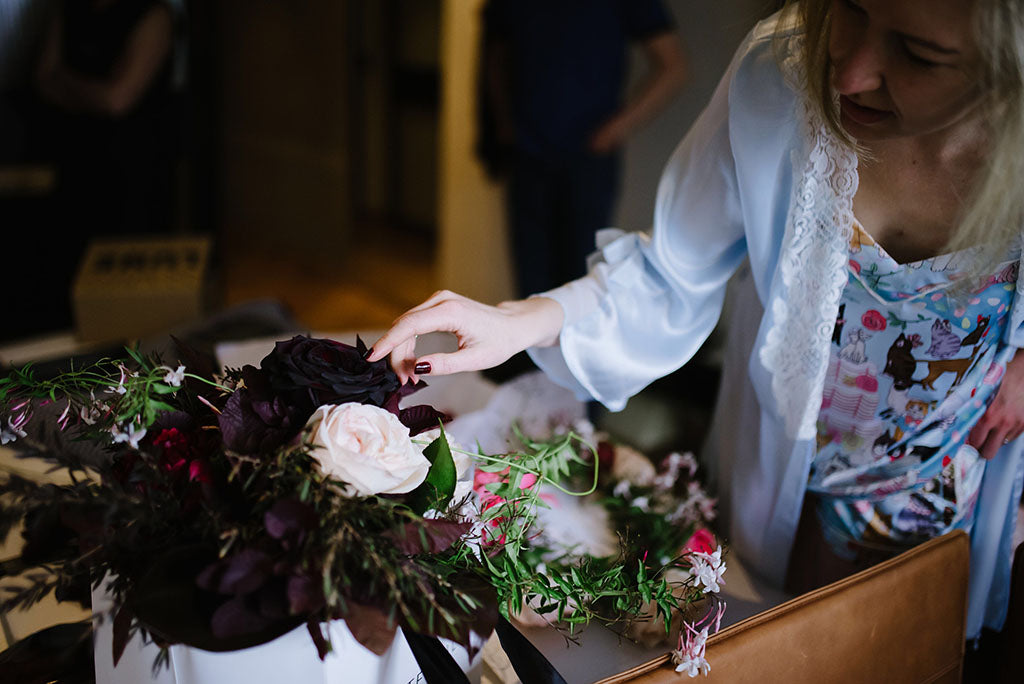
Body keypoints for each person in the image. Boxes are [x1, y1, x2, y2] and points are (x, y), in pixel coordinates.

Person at [369, 0, 1024, 646]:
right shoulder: (781, 71)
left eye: (919, 53)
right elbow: (672, 270)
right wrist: (526, 320)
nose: (849, 72)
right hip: (781, 490)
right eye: (847, 9)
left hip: (949, 483)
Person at [479, 0, 687, 297]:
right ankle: (530, 345)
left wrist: (617, 128)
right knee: (530, 281)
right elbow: (496, 54)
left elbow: (673, 66)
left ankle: (573, 344)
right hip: (527, 153)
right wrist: (503, 125)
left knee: (580, 276)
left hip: (587, 157)